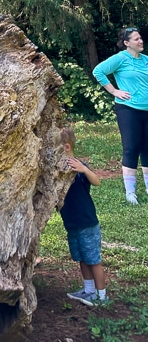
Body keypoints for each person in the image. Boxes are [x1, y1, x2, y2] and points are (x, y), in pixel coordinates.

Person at [92, 27, 148, 205]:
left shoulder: (146, 60)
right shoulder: (120, 58)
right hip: (128, 109)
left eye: (140, 38)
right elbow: (98, 71)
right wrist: (114, 91)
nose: (140, 41)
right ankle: (130, 193)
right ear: (126, 43)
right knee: (131, 148)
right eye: (136, 39)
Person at [60, 127, 108, 307]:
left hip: (87, 222)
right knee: (81, 257)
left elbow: (96, 181)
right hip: (71, 223)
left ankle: (101, 296)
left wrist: (84, 169)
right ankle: (88, 290)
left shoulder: (80, 167)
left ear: (66, 147)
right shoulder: (58, 170)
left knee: (93, 259)